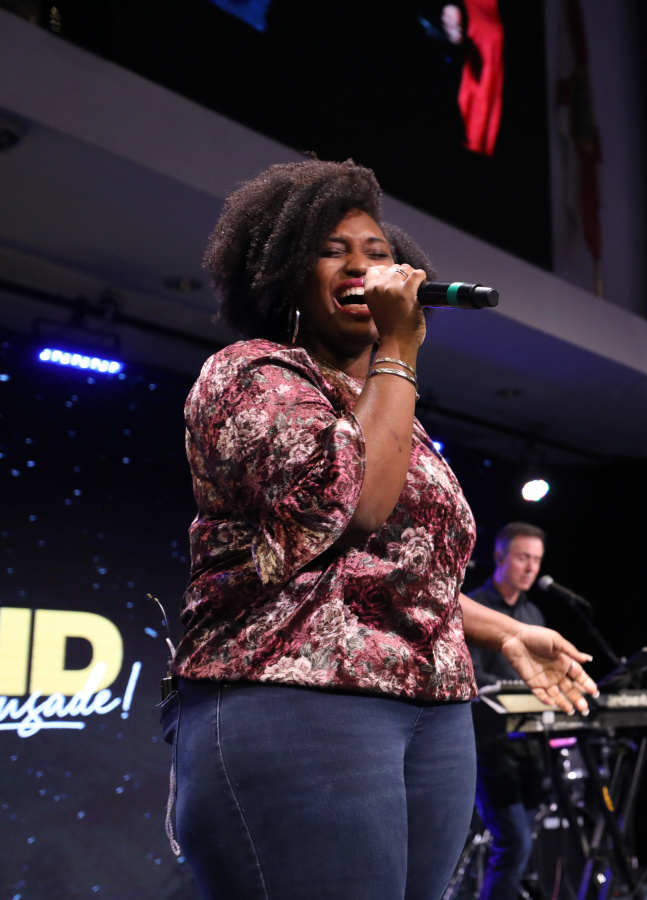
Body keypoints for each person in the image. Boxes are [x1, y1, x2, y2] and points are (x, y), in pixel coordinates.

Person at [164, 159, 597, 900]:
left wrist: (506, 632)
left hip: (433, 710)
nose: (363, 266)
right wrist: (398, 348)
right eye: (333, 251)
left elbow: (396, 569)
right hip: (298, 695)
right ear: (283, 274)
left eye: (378, 253)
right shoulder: (251, 374)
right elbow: (349, 508)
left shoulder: (392, 411)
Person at [468, 522, 549, 900]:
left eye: (536, 560)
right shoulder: (476, 607)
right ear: (499, 557)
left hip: (530, 747)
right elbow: (472, 674)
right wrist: (520, 691)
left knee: (522, 843)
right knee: (514, 843)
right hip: (491, 747)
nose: (531, 567)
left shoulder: (533, 614)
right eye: (522, 558)